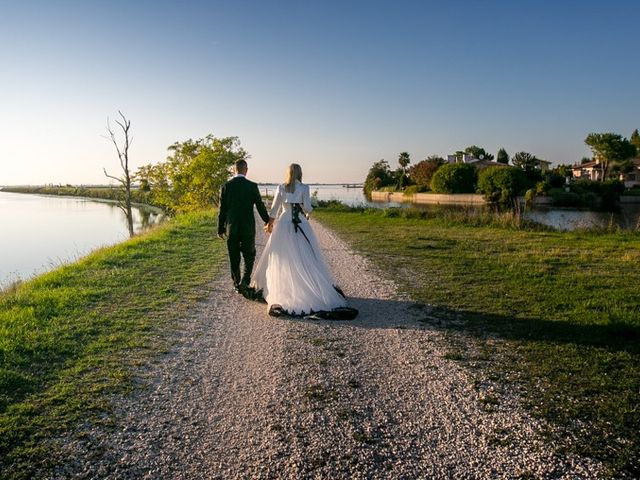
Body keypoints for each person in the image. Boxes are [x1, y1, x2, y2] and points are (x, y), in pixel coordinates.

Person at [251, 163, 357, 319]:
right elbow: (307, 208)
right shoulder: (305, 188)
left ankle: (285, 289)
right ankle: (311, 289)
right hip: (301, 223)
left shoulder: (281, 187)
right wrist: (306, 207)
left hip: (284, 222)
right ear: (300, 173)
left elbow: (274, 209)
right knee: (305, 255)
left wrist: (270, 224)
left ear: (287, 173)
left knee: (284, 257)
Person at [217, 159, 272, 294]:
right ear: (246, 170)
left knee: (234, 256)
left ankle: (236, 283)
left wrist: (220, 228)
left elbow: (222, 210)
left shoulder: (226, 186)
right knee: (249, 255)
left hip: (232, 227)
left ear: (233, 170)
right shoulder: (252, 186)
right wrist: (267, 221)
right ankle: (245, 281)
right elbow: (260, 206)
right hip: (248, 227)